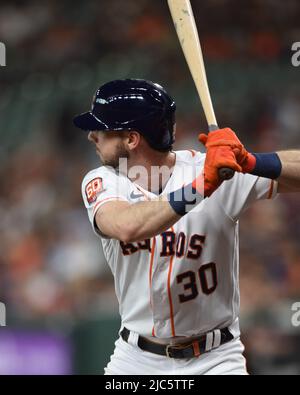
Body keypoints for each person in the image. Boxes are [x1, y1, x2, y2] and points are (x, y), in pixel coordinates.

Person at [74, 78, 300, 375]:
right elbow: (125, 225)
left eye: (102, 129)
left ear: (131, 139)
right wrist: (201, 187)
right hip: (136, 360)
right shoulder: (104, 180)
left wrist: (251, 161)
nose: (92, 136)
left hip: (216, 359)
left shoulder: (215, 172)